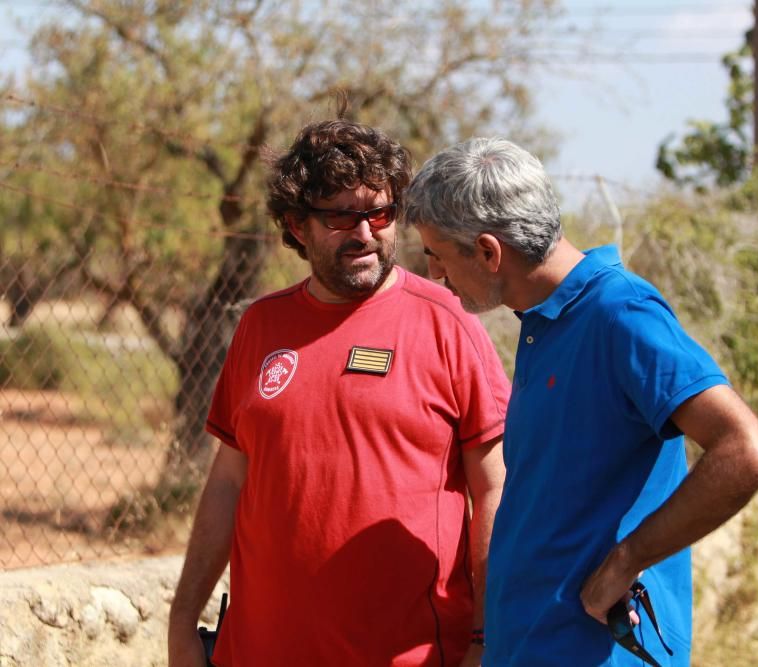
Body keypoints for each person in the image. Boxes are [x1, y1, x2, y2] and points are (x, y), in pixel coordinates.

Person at [402, 137, 758, 666]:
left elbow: (748, 450)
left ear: (488, 252)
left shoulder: (619, 313)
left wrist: (627, 560)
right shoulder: (542, 323)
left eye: (437, 256)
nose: (435, 274)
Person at [167, 121, 510, 667]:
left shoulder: (447, 321)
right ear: (296, 225)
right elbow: (229, 480)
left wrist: (485, 639)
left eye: (380, 213)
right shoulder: (260, 325)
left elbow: (494, 490)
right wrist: (182, 624)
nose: (366, 233)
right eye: (341, 217)